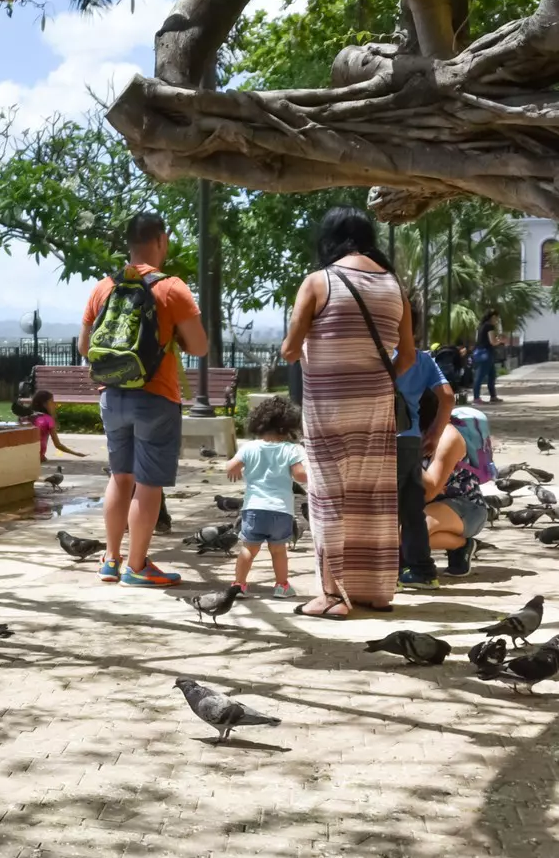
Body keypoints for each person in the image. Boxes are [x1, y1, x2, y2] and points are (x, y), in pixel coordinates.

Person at [280, 207, 413, 619]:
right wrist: (371, 375)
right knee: (373, 495)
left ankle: (333, 595)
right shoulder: (394, 286)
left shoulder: (319, 281)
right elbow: (407, 356)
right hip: (375, 403)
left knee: (328, 495)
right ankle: (375, 591)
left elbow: (289, 349)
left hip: (328, 406)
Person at [80, 211, 207, 588]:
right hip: (156, 396)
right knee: (148, 483)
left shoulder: (104, 287)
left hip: (112, 396)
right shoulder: (172, 288)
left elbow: (86, 347)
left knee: (120, 478)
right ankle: (136, 566)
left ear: (128, 243)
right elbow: (199, 347)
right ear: (161, 240)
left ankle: (110, 559)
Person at [223, 395, 307, 598]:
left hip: (253, 509)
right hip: (280, 511)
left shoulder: (250, 447)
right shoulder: (292, 449)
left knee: (248, 550)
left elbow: (231, 466)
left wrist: (236, 471)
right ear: (287, 426)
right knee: (278, 551)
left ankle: (239, 585)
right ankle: (281, 586)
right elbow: (300, 475)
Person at [394, 333, 454, 589]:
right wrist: (435, 432)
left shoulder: (378, 356)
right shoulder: (424, 360)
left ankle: (385, 572)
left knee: (382, 510)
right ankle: (422, 571)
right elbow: (448, 396)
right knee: (411, 510)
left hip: (380, 441)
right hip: (410, 440)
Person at [420, 403, 494, 576]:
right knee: (395, 534)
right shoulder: (410, 432)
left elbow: (430, 490)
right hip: (425, 504)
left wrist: (404, 455)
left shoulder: (448, 436)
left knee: (404, 535)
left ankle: (462, 546)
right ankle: (459, 545)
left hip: (466, 507)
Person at [29, 389, 80, 459]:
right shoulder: (48, 419)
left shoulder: (25, 417)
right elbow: (58, 445)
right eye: (52, 402)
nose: (55, 405)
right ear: (44, 404)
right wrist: (76, 453)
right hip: (38, 456)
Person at [470, 309, 506, 404]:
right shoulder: (489, 326)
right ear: (493, 317)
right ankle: (476, 398)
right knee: (480, 376)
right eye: (496, 318)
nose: (497, 321)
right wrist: (500, 341)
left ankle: (493, 396)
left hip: (479, 352)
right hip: (485, 353)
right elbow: (492, 342)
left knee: (492, 375)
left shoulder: (481, 326)